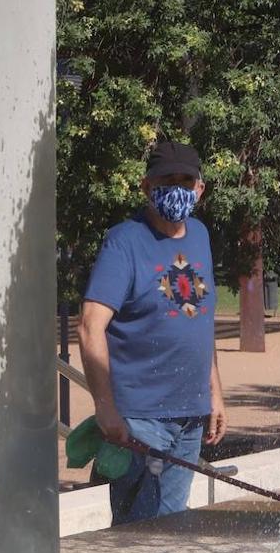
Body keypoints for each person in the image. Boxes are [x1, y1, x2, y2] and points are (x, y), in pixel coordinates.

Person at [79, 141, 228, 523]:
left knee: (173, 532)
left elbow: (201, 321)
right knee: (138, 537)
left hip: (191, 417)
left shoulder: (200, 236)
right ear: (146, 187)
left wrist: (214, 393)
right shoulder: (124, 242)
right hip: (141, 423)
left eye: (185, 180)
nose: (176, 188)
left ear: (200, 188)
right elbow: (90, 326)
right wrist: (106, 408)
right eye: (166, 180)